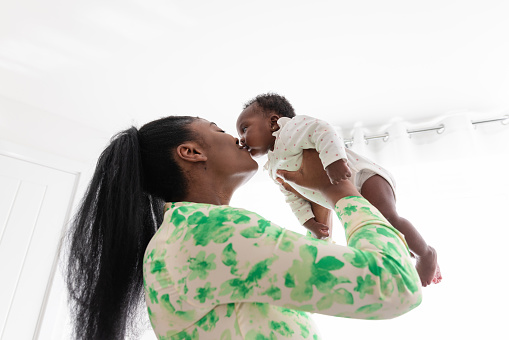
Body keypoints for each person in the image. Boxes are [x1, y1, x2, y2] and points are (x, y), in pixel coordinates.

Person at [65, 115, 422, 340]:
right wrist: (342, 192)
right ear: (191, 152)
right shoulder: (213, 233)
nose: (236, 138)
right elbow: (394, 284)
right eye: (218, 130)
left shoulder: (181, 239)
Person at [236, 93, 441, 287]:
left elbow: (323, 130)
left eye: (245, 129)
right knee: (374, 229)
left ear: (273, 122)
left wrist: (334, 161)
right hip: (343, 199)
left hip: (362, 175)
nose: (242, 139)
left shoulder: (290, 129)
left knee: (388, 217)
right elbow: (291, 195)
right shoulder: (272, 167)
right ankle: (407, 251)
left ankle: (426, 253)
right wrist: (309, 222)